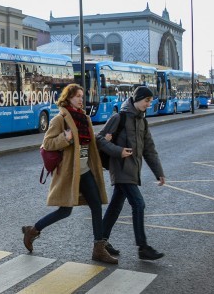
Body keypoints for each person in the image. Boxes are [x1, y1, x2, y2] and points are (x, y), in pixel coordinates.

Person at [21, 84, 117, 264]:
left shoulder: (84, 118)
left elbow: (85, 143)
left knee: (96, 205)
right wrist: (65, 138)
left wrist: (100, 139)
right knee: (65, 211)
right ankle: (32, 231)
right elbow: (47, 144)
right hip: (70, 173)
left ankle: (98, 248)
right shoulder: (60, 119)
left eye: (82, 95)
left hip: (85, 170)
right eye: (77, 96)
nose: (81, 99)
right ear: (68, 98)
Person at [96, 86, 166, 261]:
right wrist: (118, 151)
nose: (149, 104)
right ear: (137, 99)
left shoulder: (142, 121)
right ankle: (143, 247)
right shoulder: (118, 117)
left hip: (133, 169)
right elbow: (100, 139)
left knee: (115, 206)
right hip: (120, 168)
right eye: (146, 101)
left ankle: (101, 242)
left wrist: (159, 173)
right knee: (138, 204)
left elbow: (149, 149)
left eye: (150, 101)